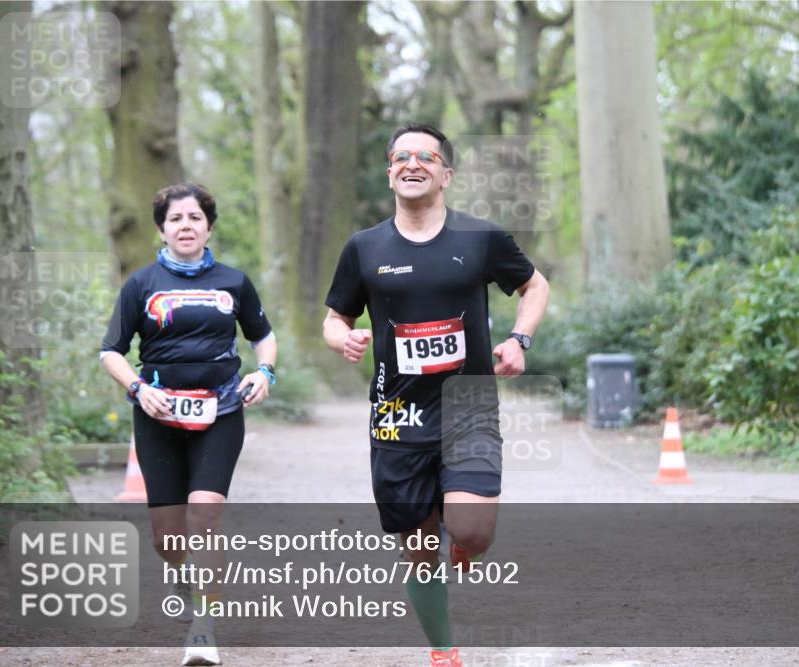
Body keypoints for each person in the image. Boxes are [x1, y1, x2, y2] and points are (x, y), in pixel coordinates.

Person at [323, 123, 550, 667]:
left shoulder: (480, 238)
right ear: (390, 173)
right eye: (401, 156)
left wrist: (520, 339)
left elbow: (534, 285)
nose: (412, 163)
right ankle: (444, 651)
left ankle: (462, 536)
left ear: (446, 174)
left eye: (425, 156)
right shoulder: (365, 248)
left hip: (467, 406)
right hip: (397, 416)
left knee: (473, 532)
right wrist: (344, 339)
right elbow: (334, 318)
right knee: (419, 552)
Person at [101, 182, 277, 666]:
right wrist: (138, 388)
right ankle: (181, 568)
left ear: (209, 226)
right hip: (159, 416)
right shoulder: (141, 285)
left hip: (220, 411)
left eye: (195, 218)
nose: (186, 226)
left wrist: (264, 372)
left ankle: (203, 630)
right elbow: (110, 351)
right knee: (168, 537)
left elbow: (263, 337)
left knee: (206, 515)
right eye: (176, 219)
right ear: (162, 228)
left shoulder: (234, 282)